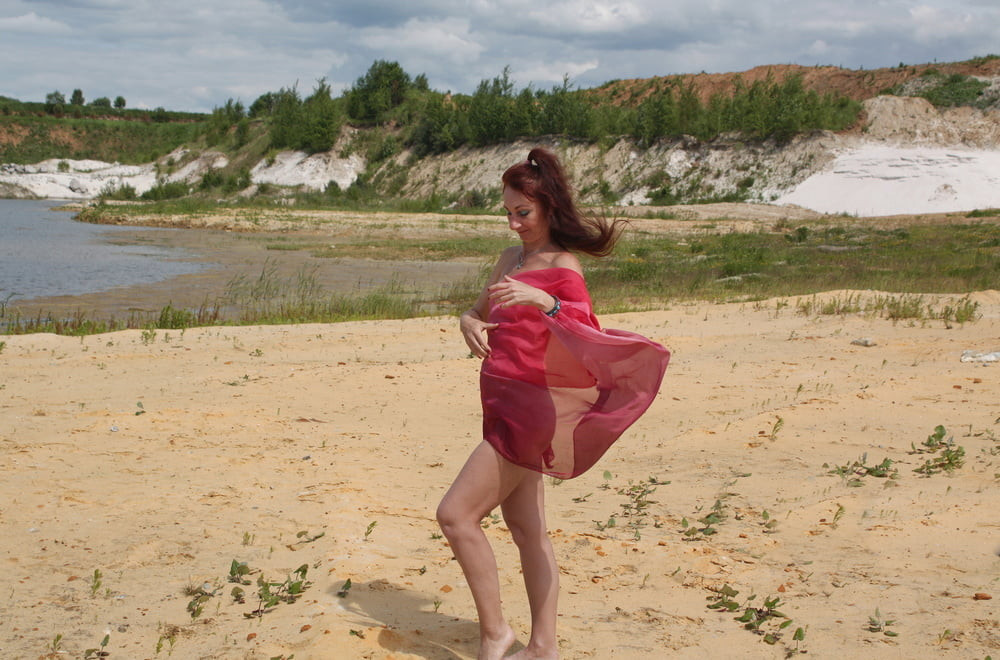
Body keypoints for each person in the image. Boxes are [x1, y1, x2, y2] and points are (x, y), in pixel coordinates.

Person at [436, 147, 670, 659]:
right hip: (499, 399)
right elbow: (478, 312)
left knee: (455, 516)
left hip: (531, 409)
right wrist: (468, 322)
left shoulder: (564, 267)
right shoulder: (507, 259)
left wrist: (551, 303)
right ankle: (543, 648)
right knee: (527, 529)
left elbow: (587, 338)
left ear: (547, 208)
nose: (515, 222)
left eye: (524, 212)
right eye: (508, 212)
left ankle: (496, 634)